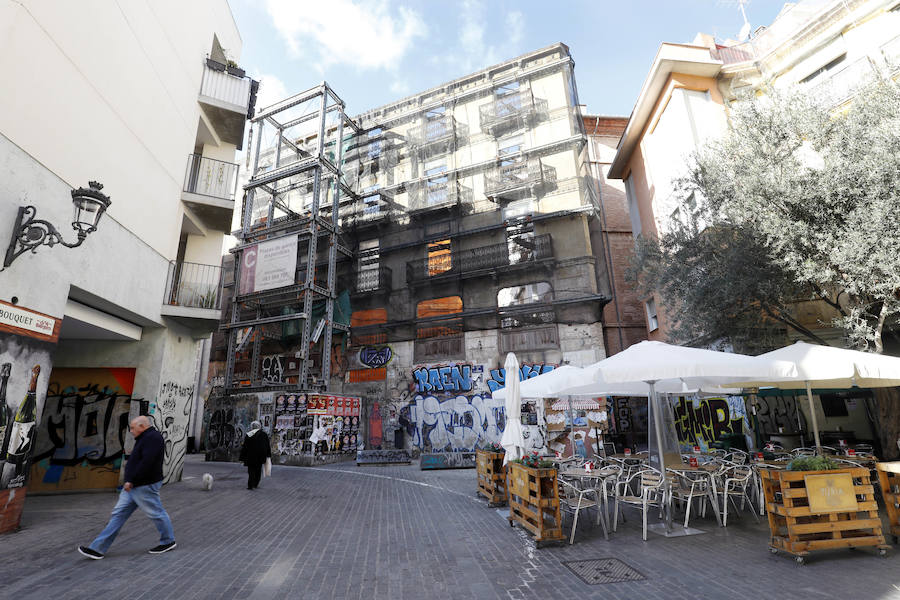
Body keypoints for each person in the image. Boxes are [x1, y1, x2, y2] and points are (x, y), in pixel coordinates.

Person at [78, 416, 175, 559]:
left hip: (143, 485)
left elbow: (147, 462)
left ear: (142, 426)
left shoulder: (152, 438)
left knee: (156, 513)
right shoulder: (145, 437)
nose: (131, 431)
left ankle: (168, 541)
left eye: (133, 428)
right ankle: (97, 549)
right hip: (134, 486)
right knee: (118, 514)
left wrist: (132, 480)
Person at [239, 420, 271, 490]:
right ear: (259, 426)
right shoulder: (264, 434)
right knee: (258, 470)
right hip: (260, 456)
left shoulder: (249, 434)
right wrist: (268, 455)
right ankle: (255, 483)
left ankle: (250, 484)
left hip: (250, 457)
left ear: (252, 427)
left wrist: (242, 458)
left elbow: (245, 447)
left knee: (251, 471)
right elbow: (267, 446)